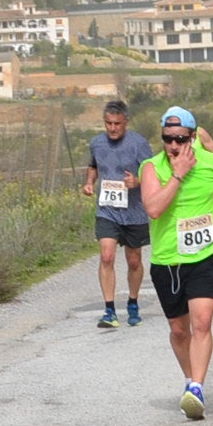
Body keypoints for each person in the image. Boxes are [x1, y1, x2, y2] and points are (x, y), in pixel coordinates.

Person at [140, 106, 213, 418]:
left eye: (180, 138)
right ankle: (188, 377)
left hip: (205, 255)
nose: (173, 145)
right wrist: (178, 174)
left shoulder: (211, 162)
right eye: (168, 138)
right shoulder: (152, 168)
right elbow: (154, 209)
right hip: (167, 260)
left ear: (192, 137)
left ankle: (196, 387)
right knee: (179, 330)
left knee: (202, 322)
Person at [79, 98, 155, 327]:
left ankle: (133, 302)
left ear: (126, 122)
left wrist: (138, 180)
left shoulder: (139, 144)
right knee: (107, 256)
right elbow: (93, 166)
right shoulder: (97, 143)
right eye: (108, 123)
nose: (112, 128)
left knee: (134, 261)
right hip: (107, 210)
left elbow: (154, 173)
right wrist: (89, 183)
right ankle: (109, 310)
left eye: (117, 124)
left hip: (134, 212)